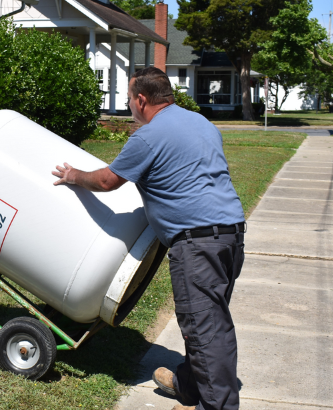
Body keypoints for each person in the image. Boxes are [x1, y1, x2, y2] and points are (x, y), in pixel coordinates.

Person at [52, 67, 245, 410]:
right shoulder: (199, 122)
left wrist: (74, 175)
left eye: (129, 99)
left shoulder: (149, 135)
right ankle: (189, 385)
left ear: (141, 99)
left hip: (197, 244)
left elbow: (109, 181)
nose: (129, 105)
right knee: (209, 321)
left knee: (205, 329)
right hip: (231, 234)